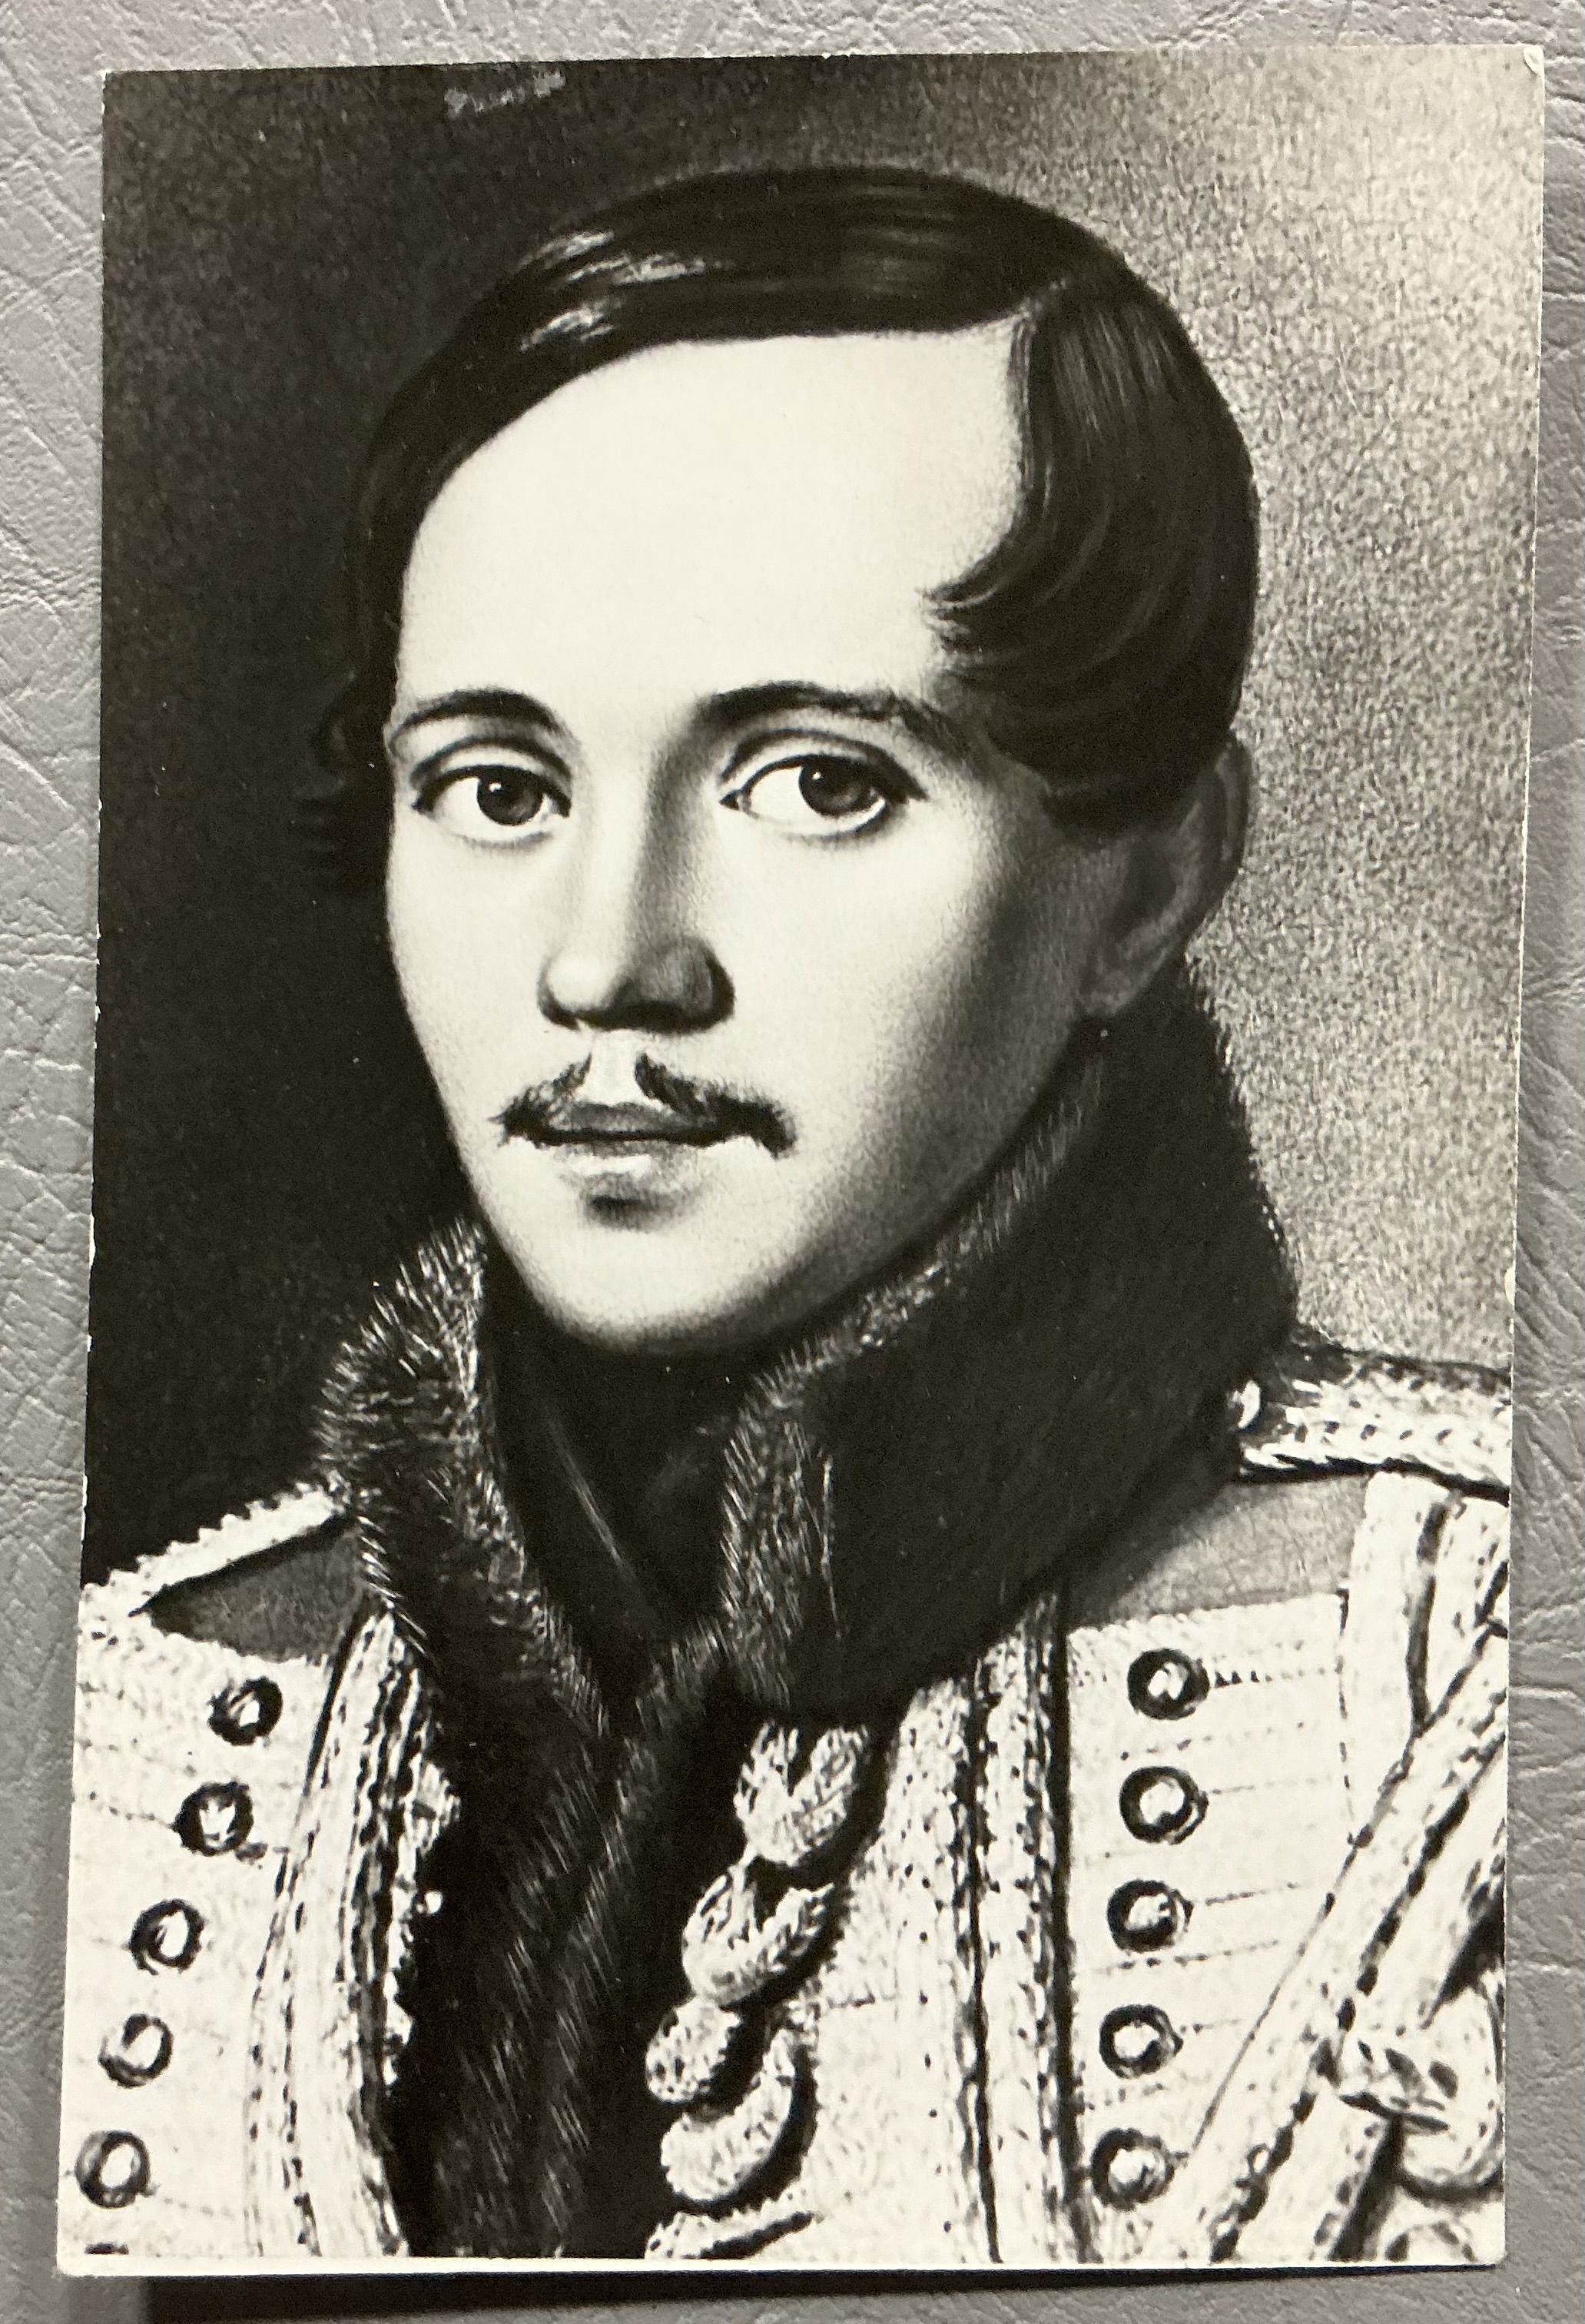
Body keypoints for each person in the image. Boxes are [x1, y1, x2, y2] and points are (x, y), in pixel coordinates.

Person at [59, 168, 1508, 2271]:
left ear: (1151, 879)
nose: (608, 962)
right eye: (498, 788)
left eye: (819, 782)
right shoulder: (124, 1705)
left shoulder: (1482, 1661)